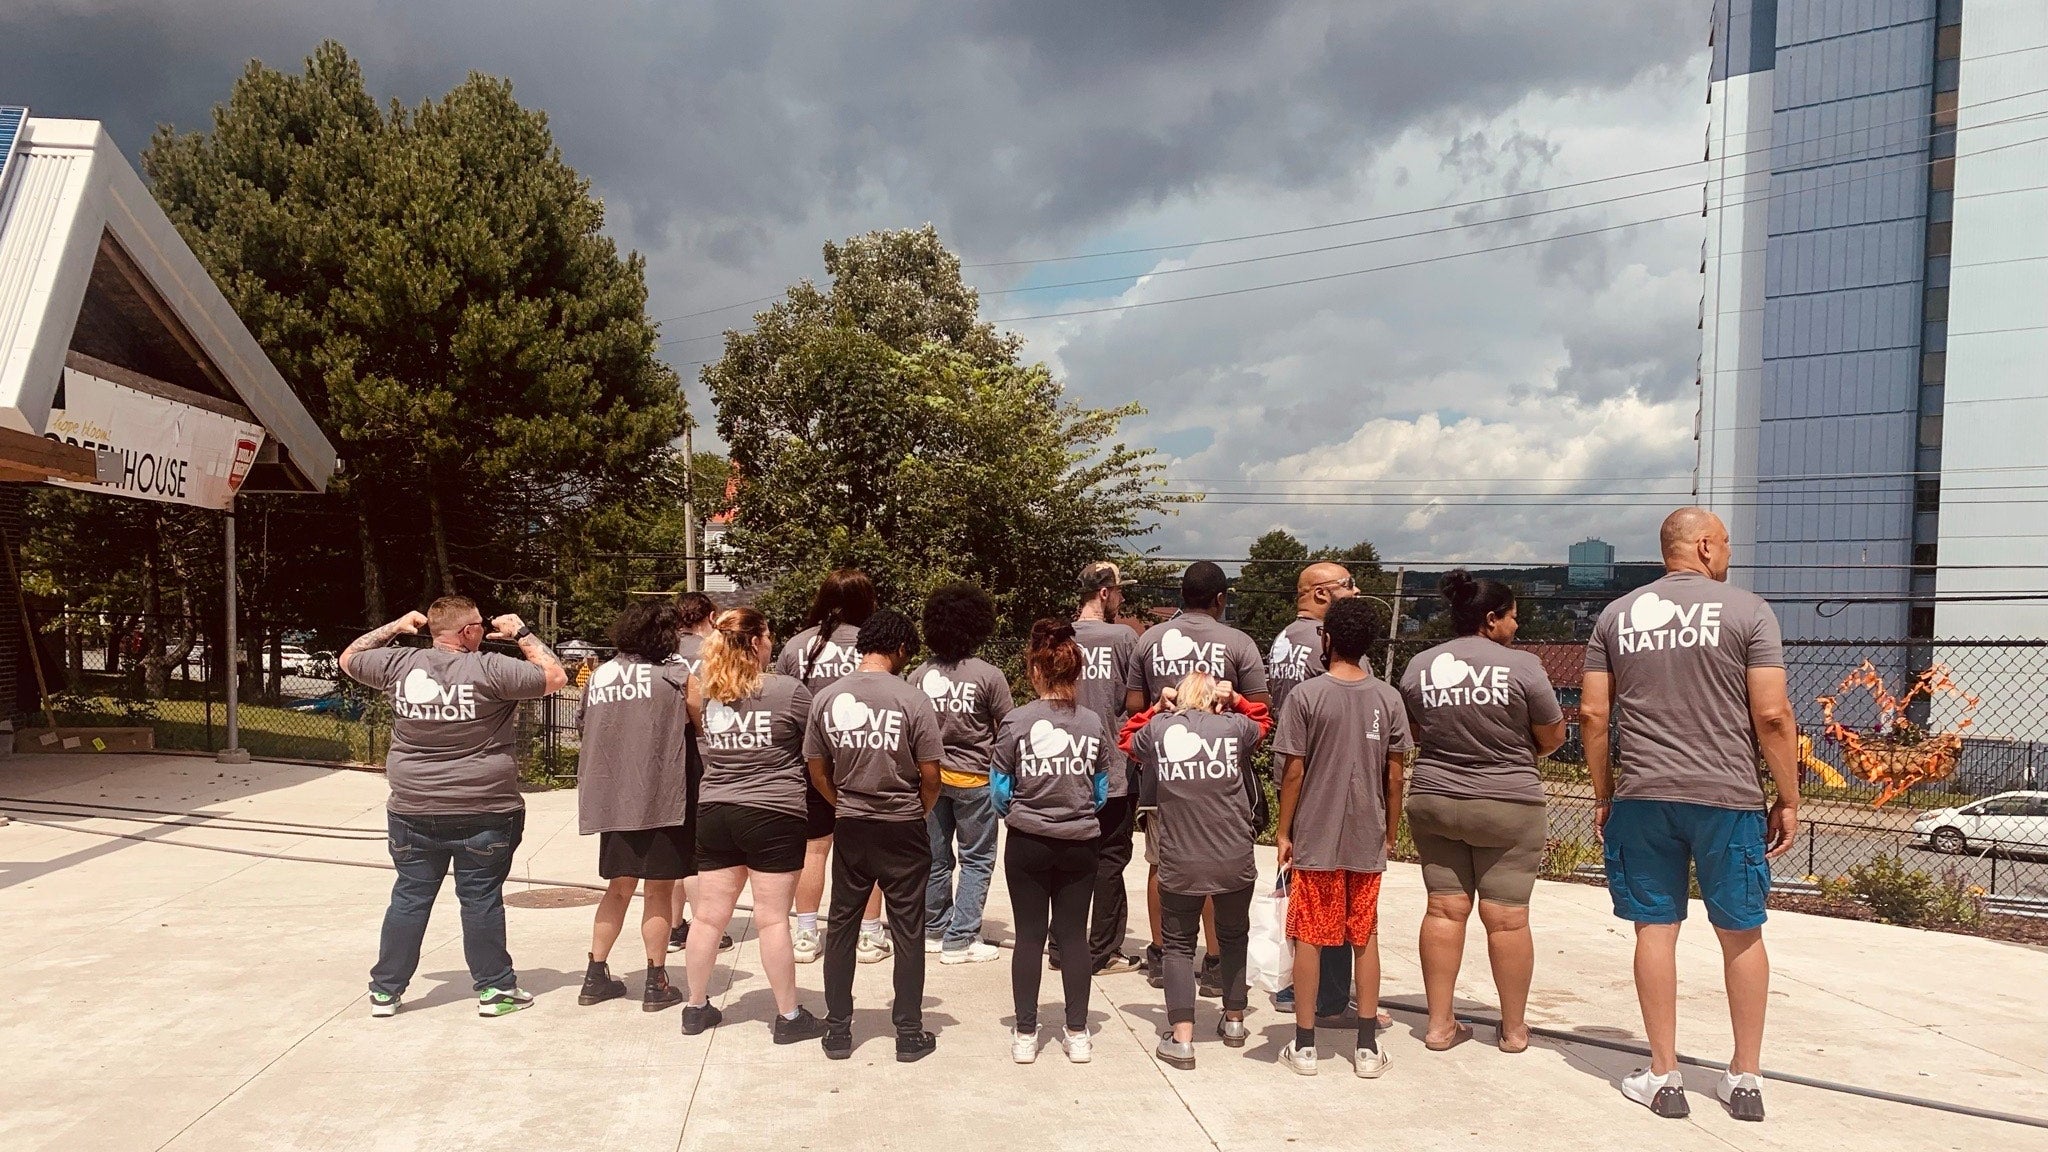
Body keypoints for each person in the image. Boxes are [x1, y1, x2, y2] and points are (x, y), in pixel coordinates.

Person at [1582, 508, 1798, 1122]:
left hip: (1643, 795)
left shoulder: (1615, 616)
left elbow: (1593, 715)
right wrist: (1788, 797)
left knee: (1655, 928)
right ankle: (1745, 1078)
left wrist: (1604, 792)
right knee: (1742, 932)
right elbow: (1773, 715)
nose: (1728, 552)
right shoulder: (1749, 611)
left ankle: (1663, 1075)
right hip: (1728, 797)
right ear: (1704, 546)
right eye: (1725, 543)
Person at [339, 596, 566, 1018]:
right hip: (484, 808)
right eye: (480, 624)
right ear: (468, 631)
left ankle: (385, 991)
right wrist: (521, 633)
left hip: (412, 806)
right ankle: (495, 989)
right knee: (480, 898)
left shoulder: (399, 664)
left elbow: (350, 658)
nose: (484, 629)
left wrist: (395, 626)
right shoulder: (491, 669)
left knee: (410, 896)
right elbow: (554, 675)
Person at [1399, 571, 1565, 1054]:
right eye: (1513, 617)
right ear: (1491, 619)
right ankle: (1513, 1030)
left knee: (1443, 908)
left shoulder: (1418, 666)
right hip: (1507, 802)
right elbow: (1553, 736)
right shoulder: (1524, 667)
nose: (1517, 626)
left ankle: (1438, 1025)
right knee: (1507, 918)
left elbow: (1414, 731)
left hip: (1432, 798)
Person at [1270, 597, 1412, 1078]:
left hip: (1315, 833)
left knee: (1309, 934)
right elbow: (1396, 775)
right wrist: (1390, 829)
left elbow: (1293, 771)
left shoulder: (1305, 696)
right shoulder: (1388, 698)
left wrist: (1284, 830)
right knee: (1364, 933)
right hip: (1367, 833)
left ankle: (1305, 1044)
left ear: (1326, 639)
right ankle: (1367, 1047)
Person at [677, 607, 830, 1043]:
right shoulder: (788, 690)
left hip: (716, 810)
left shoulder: (711, 693)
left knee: (708, 918)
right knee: (772, 919)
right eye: (769, 636)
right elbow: (819, 743)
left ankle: (696, 1007)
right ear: (758, 641)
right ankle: (788, 1016)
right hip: (773, 811)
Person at [804, 609, 946, 1061]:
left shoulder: (827, 697)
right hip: (902, 823)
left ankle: (838, 1030)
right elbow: (931, 775)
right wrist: (918, 811)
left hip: (851, 822)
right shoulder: (913, 700)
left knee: (841, 926)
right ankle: (908, 1031)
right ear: (900, 648)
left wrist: (841, 802)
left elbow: (816, 769)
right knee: (908, 930)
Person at [1124, 561, 1271, 994]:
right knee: (1215, 863)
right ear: (1220, 599)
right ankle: (1216, 961)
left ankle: (1161, 954)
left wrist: (1159, 712)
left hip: (1163, 767)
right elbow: (1261, 709)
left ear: (1181, 595)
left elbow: (1133, 705)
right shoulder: (1239, 642)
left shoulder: (1149, 639)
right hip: (1221, 769)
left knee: (1162, 861)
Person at [1120, 671, 1271, 1071]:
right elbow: (1263, 720)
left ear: (1180, 699)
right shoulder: (1234, 728)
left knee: (1178, 946)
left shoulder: (1159, 730)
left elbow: (1126, 739)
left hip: (1180, 859)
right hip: (1233, 856)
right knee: (1234, 935)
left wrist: (1156, 707)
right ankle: (1235, 1020)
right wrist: (1236, 700)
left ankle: (1182, 1039)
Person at [989, 619, 1112, 1064]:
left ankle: (1026, 1032)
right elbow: (1101, 789)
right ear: (1076, 672)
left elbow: (999, 788)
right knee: (1074, 936)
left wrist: (1022, 810)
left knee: (1029, 935)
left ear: (1035, 670)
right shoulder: (1093, 723)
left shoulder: (1016, 721)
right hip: (1080, 840)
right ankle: (1076, 1031)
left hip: (1028, 839)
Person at [572, 600, 693, 1013]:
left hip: (612, 797)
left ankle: (595, 974)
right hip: (660, 796)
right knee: (658, 889)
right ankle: (656, 982)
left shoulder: (601, 675)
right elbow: (699, 720)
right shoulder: (672, 675)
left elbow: (582, 724)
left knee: (619, 888)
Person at [1266, 560, 1369, 1021]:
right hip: (1329, 779)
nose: (1357, 591)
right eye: (1349, 585)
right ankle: (1329, 996)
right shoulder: (1329, 642)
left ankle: (1292, 982)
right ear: (1323, 594)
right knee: (1335, 890)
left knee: (1298, 884)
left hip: (1293, 770)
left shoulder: (1285, 637)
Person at [775, 570, 888, 965]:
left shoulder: (796, 646)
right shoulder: (872, 646)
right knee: (868, 848)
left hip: (810, 759)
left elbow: (783, 702)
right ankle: (870, 934)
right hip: (866, 757)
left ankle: (806, 934)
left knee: (814, 848)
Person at [912, 583, 1013, 964]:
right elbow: (1008, 729)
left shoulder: (918, 675)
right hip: (975, 780)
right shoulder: (989, 676)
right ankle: (962, 937)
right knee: (976, 860)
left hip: (930, 780)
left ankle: (934, 929)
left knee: (935, 858)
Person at [1067, 561, 1144, 975]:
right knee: (1111, 858)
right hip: (1112, 764)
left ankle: (1061, 945)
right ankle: (1103, 951)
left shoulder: (1061, 636)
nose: (1122, 598)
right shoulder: (1124, 638)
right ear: (1103, 593)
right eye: (1119, 591)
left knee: (1068, 857)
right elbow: (1136, 699)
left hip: (1063, 764)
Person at [668, 591, 731, 956]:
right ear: (710, 616)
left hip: (667, 753)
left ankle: (674, 926)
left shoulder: (663, 649)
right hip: (706, 749)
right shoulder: (714, 649)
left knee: (675, 842)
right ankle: (705, 927)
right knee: (699, 848)